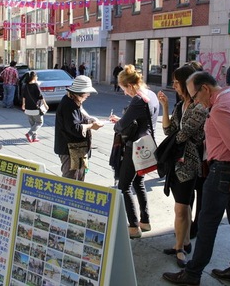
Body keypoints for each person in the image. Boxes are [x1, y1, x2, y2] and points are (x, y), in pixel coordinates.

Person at [163, 70, 230, 286]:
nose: (195, 100)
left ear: (205, 89)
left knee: (207, 223)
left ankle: (192, 274)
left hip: (223, 170)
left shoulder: (220, 108)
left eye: (195, 95)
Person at [157, 64, 208, 268]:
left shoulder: (199, 108)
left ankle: (179, 248)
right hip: (176, 165)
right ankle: (184, 243)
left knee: (180, 208)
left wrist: (169, 144)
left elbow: (182, 134)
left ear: (188, 83)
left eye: (177, 82)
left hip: (189, 165)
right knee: (183, 207)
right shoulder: (180, 106)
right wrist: (165, 107)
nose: (174, 86)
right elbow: (168, 131)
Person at [109, 64, 159, 239]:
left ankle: (133, 226)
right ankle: (145, 221)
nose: (124, 93)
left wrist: (117, 122)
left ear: (130, 86)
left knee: (124, 187)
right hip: (147, 144)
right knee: (138, 182)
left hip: (134, 147)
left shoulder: (138, 99)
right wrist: (122, 119)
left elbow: (121, 125)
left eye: (124, 89)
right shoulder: (151, 95)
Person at [54, 75, 103, 181]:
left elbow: (82, 114)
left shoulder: (73, 100)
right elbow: (74, 128)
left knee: (79, 177)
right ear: (79, 93)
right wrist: (92, 126)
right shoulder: (69, 104)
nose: (88, 95)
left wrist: (91, 119)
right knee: (71, 180)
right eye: (87, 93)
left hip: (77, 148)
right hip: (70, 149)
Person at [21, 71, 48, 143]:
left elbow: (24, 96)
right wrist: (45, 105)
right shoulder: (35, 85)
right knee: (39, 122)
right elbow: (40, 96)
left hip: (27, 108)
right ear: (34, 77)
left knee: (33, 124)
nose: (37, 77)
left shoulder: (25, 86)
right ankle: (29, 134)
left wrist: (23, 104)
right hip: (35, 108)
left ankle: (34, 138)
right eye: (36, 76)